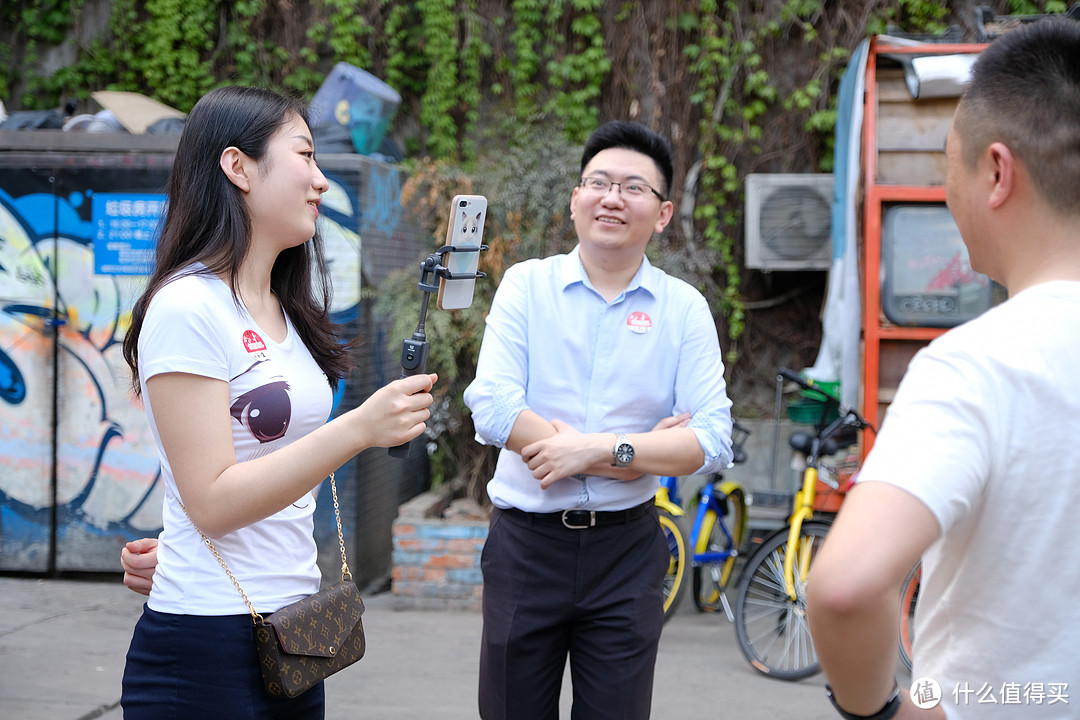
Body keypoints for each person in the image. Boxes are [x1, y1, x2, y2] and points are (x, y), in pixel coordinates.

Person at [118, 85, 437, 719]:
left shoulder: (285, 308)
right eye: (305, 156)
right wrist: (357, 430)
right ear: (238, 167)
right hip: (209, 640)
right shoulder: (188, 306)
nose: (320, 180)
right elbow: (210, 499)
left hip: (293, 633)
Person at [806, 18, 1080, 720]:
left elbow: (845, 586)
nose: (945, 187)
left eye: (947, 163)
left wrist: (883, 712)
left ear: (996, 172)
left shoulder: (978, 365)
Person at [463, 120, 734, 720]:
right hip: (526, 548)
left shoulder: (683, 309)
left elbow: (712, 439)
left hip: (626, 550)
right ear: (576, 200)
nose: (613, 197)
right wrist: (643, 449)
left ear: (662, 214)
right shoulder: (526, 286)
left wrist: (596, 452)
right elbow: (493, 405)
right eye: (599, 183)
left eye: (634, 188)